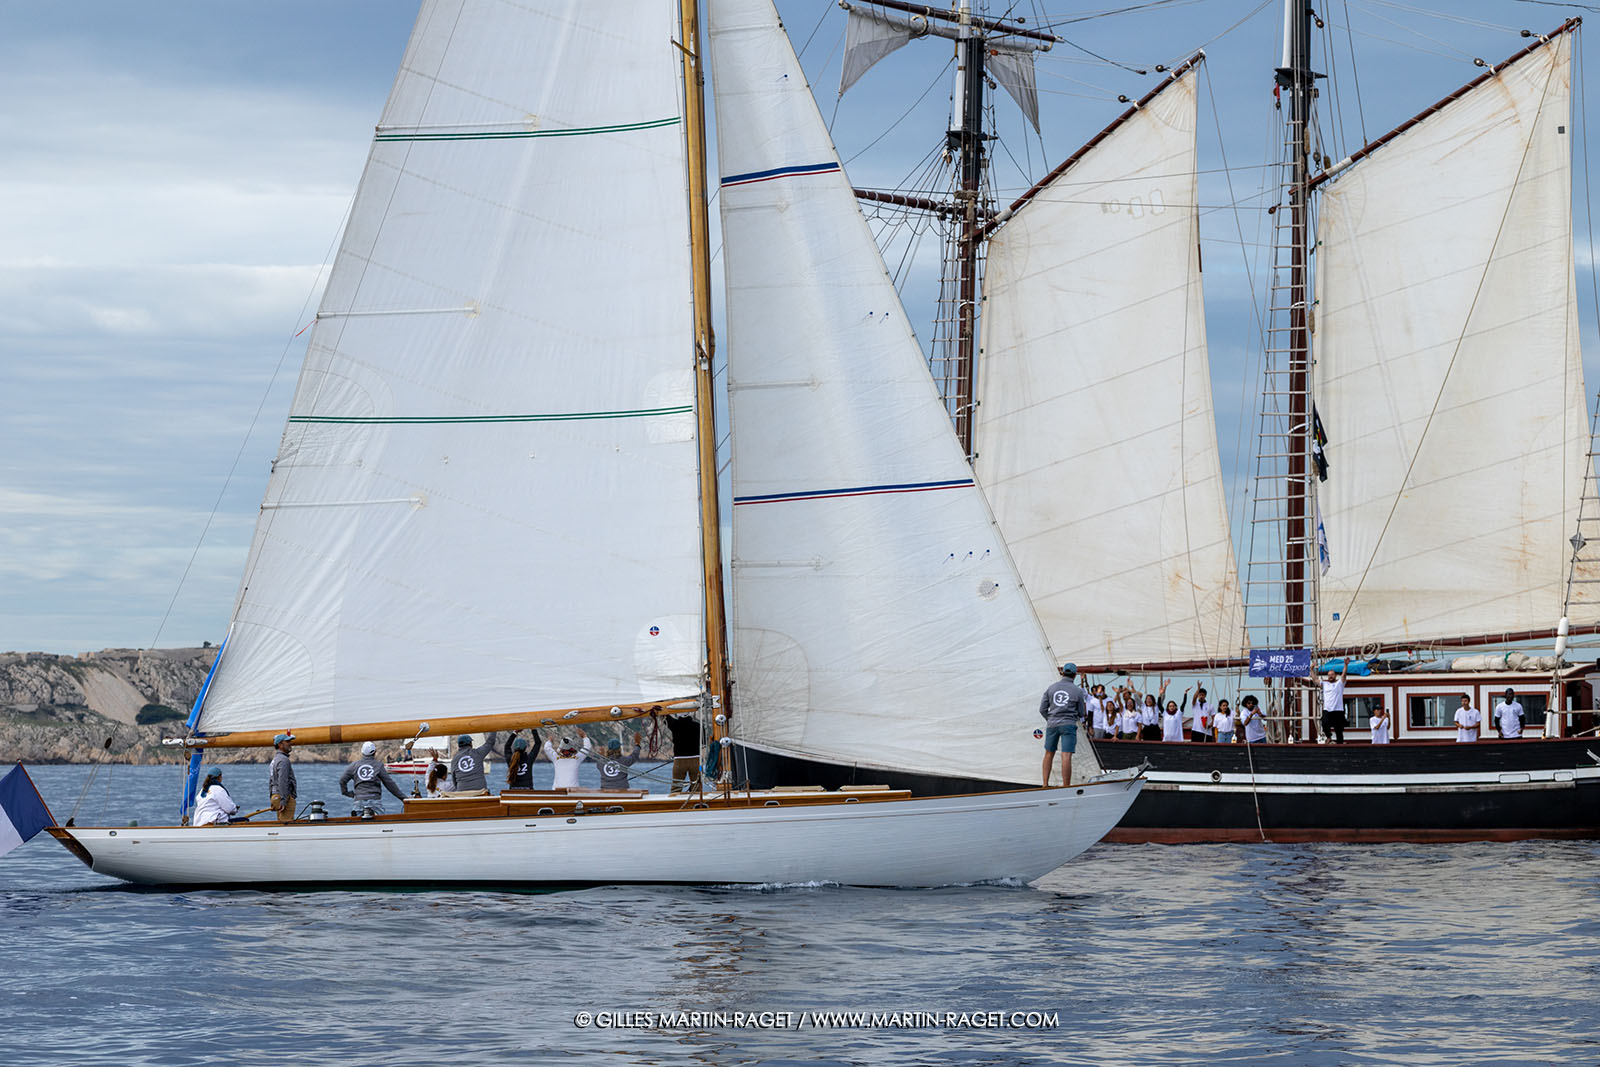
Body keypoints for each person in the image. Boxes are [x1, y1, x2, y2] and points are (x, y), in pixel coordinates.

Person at [1038, 662, 1087, 786]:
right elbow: (1082, 713)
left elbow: (1042, 709)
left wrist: (1050, 719)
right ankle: (1066, 786)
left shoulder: (1051, 688)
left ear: (1063, 672)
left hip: (1052, 724)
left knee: (1049, 753)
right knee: (1066, 755)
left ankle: (1045, 784)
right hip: (1068, 724)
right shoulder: (1078, 691)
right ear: (1075, 675)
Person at [340, 740, 409, 815]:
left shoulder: (353, 765)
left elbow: (342, 780)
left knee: (357, 822)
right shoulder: (378, 765)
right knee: (380, 823)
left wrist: (346, 793)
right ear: (374, 752)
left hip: (359, 801)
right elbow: (389, 784)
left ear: (362, 752)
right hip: (375, 801)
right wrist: (403, 798)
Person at [665, 712, 703, 793]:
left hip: (679, 761)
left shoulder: (675, 724)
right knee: (697, 787)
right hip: (696, 760)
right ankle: (697, 803)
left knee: (676, 786)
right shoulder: (698, 726)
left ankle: (675, 804)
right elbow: (703, 741)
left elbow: (665, 717)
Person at [268, 732, 297, 822]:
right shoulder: (283, 760)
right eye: (287, 741)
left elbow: (271, 781)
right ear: (280, 744)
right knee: (286, 824)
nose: (290, 743)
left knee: (281, 822)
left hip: (276, 796)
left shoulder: (275, 760)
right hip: (283, 797)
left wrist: (272, 798)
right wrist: (283, 801)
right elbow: (282, 781)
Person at [1320, 661, 1350, 744]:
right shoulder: (1325, 684)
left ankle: (1340, 744)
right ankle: (1329, 737)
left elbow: (1344, 675)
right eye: (1329, 675)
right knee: (1324, 724)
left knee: (1339, 730)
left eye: (1332, 675)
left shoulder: (1339, 683)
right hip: (1327, 710)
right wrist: (1311, 669)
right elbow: (1315, 680)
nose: (1330, 676)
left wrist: (1345, 665)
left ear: (1335, 676)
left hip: (1338, 710)